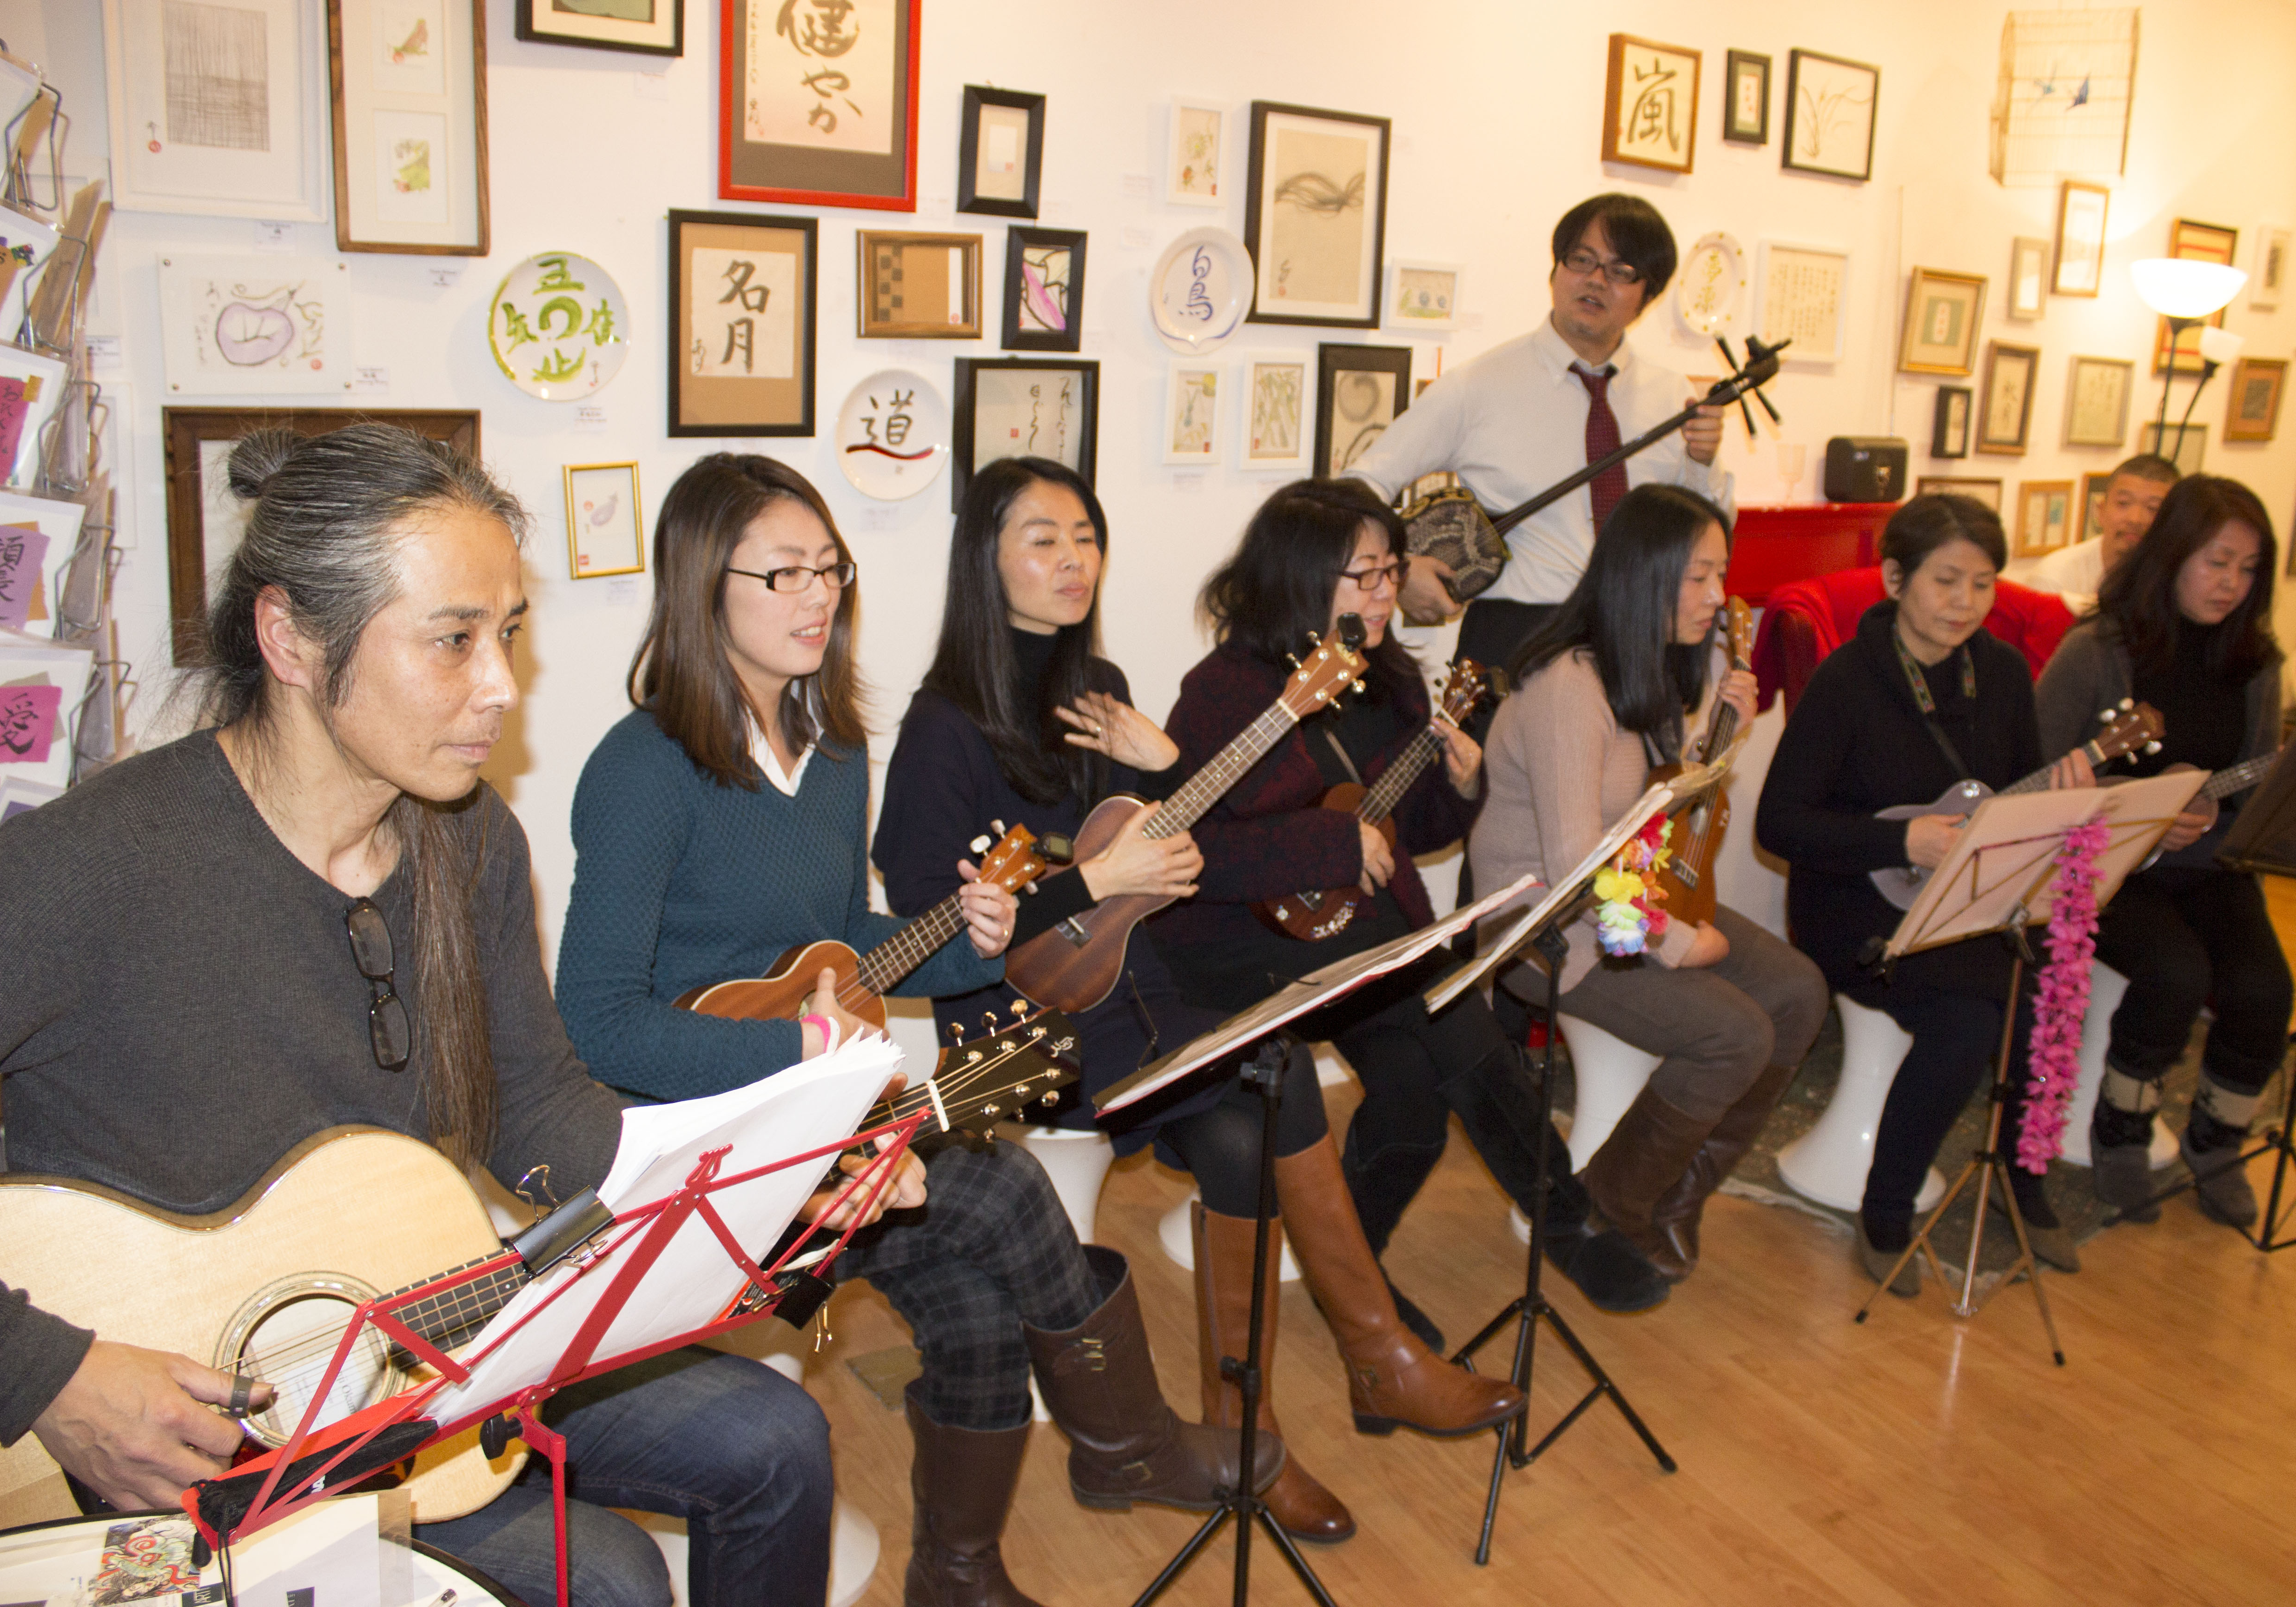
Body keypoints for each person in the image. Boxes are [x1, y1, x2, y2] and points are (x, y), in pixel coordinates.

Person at [0, 425, 841, 1607]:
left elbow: (535, 1106)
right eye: (452, 640)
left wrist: (776, 1176)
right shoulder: (90, 863)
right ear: (290, 636)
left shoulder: (466, 838)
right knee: (605, 1575)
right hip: (157, 1433)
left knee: (774, 1440)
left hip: (396, 1344)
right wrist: (49, 1376)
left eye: (506, 634)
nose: (501, 683)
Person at [552, 452, 1272, 1607]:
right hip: (702, 1151)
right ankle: (1127, 1442)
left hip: (819, 1112)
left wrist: (976, 933)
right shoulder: (644, 770)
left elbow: (848, 947)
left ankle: (960, 1571)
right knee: (997, 1184)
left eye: (828, 569)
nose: (817, 597)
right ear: (701, 587)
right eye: (780, 575)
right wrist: (792, 1049)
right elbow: (594, 1024)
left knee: (981, 1295)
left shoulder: (833, 747)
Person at [872, 458, 1522, 1549]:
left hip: (1128, 994)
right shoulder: (945, 725)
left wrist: (1164, 772)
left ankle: (1254, 1425)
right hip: (1019, 1030)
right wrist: (1101, 881)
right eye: (1041, 538)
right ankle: (1365, 1362)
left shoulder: (1102, 684)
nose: (1072, 558)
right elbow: (931, 916)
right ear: (982, 561)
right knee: (1264, 1095)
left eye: (1085, 533)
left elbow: (1153, 853)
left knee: (1262, 1093)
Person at [1145, 478, 1667, 1329]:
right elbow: (1190, 855)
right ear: (1299, 577)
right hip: (1236, 945)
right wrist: (1329, 846)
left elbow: (1399, 828)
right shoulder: (1223, 691)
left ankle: (1355, 1286)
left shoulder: (1388, 678)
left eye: (1392, 571)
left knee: (1416, 1105)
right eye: (1365, 575)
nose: (1389, 593)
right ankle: (1564, 1222)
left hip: (1357, 933)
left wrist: (1460, 788)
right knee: (1451, 1013)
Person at [1470, 485, 1829, 1301]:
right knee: (1734, 1033)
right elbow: (1571, 857)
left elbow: (1657, 798)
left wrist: (1712, 731)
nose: (1716, 597)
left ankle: (1674, 1197)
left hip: (1625, 889)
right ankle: (1603, 1208)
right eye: (1697, 578)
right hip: (1544, 928)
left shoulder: (1649, 667)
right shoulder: (1568, 685)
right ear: (1642, 577)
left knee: (1798, 991)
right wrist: (1673, 941)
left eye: (1720, 576)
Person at [1758, 493, 2093, 1294]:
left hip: (1966, 894)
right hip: (1853, 904)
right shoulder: (1847, 680)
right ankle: (1885, 1204)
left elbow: (2014, 800)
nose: (1963, 605)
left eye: (1981, 586)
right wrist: (1897, 840)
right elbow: (1779, 823)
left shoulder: (2004, 675)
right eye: (1944, 581)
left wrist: (2063, 798)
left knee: (2055, 976)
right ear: (1894, 578)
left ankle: (2022, 1172)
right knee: (1969, 1016)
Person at [2033, 476, 2290, 1228]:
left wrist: (2219, 804)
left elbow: (2254, 778)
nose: (2229, 585)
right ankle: (2119, 1130)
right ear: (2171, 553)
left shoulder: (2256, 663)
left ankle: (2216, 1139)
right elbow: (2036, 777)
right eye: (2215, 562)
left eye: (2246, 570)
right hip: (2105, 867)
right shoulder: (2096, 652)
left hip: (2206, 864)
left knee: (2263, 988)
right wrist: (2133, 811)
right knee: (2173, 972)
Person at [1347, 193, 1732, 671]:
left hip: (1637, 636)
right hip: (1517, 638)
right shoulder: (1479, 386)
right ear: (1555, 271)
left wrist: (1701, 463)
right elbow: (1359, 485)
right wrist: (1400, 571)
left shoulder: (1674, 398)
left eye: (1620, 270)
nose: (1595, 280)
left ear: (1647, 296)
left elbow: (1704, 537)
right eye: (1581, 260)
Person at [2016, 453, 2180, 614]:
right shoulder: (2053, 581)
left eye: (2153, 508)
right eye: (2123, 503)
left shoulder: (2179, 581)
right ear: (2100, 512)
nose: (2135, 519)